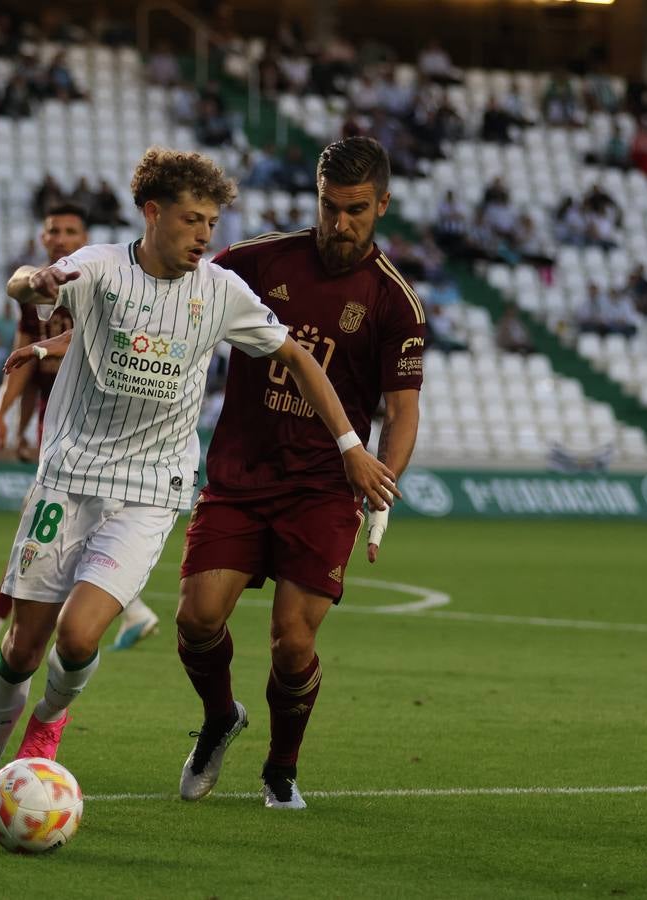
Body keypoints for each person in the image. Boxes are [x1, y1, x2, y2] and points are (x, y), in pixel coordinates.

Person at [0, 147, 397, 825]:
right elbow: (31, 283)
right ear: (153, 215)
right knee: (21, 647)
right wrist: (31, 287)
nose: (205, 235)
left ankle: (47, 728)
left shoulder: (221, 292)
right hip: (67, 479)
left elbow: (297, 358)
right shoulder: (98, 268)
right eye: (191, 220)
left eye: (212, 221)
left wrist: (352, 445)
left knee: (79, 639)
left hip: (151, 490)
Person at [174, 137, 423, 809]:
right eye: (328, 207)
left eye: (355, 211)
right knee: (197, 618)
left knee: (292, 641)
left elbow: (401, 412)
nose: (339, 224)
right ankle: (221, 717)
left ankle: (281, 768)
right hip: (239, 474)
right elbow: (178, 298)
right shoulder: (256, 261)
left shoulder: (394, 301)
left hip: (321, 490)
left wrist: (384, 490)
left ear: (383, 205)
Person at [0, 204, 160, 654]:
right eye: (52, 231)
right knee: (67, 522)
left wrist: (47, 355)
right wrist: (3, 417)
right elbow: (25, 357)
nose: (60, 238)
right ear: (43, 239)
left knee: (41, 517)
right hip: (55, 419)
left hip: (101, 420)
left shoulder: (104, 281)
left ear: (85, 236)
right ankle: (135, 611)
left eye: (69, 230)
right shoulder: (41, 287)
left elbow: (95, 352)